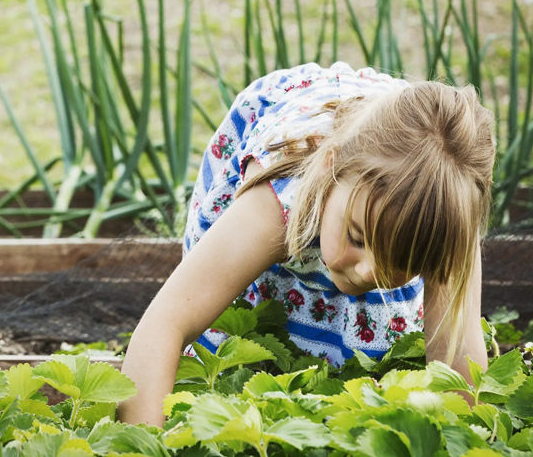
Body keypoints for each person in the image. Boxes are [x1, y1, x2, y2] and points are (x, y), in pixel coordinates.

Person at [118, 61, 494, 426]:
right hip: (300, 156)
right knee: (236, 333)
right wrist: (146, 441)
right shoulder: (276, 201)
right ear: (331, 168)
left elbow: (459, 373)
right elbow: (165, 323)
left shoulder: (446, 210)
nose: (369, 271)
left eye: (402, 259)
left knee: (380, 344)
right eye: (358, 238)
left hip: (416, 160)